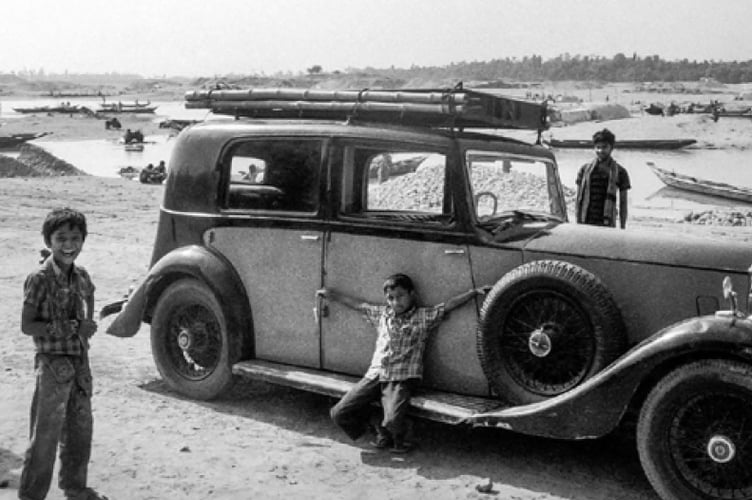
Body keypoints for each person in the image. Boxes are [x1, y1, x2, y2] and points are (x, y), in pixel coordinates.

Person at [320, 274, 489, 453]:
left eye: (400, 296)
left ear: (411, 294)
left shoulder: (423, 316)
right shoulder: (382, 314)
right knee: (339, 413)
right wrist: (333, 295)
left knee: (393, 421)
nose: (395, 302)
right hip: (376, 374)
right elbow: (358, 305)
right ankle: (378, 428)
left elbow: (447, 306)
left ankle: (399, 436)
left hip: (401, 378)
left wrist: (473, 293)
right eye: (390, 298)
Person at [19, 208, 108, 500]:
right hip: (52, 363)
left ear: (83, 240)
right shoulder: (39, 278)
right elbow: (27, 326)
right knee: (46, 433)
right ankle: (32, 494)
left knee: (81, 427)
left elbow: (90, 294)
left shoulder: (81, 276)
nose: (68, 245)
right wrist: (73, 326)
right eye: (61, 238)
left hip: (79, 362)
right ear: (49, 241)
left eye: (75, 238)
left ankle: (75, 486)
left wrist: (88, 326)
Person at [575, 128, 631, 229]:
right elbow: (578, 198)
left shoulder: (620, 172)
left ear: (611, 148)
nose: (600, 151)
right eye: (598, 147)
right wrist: (577, 221)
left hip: (607, 223)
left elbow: (623, 203)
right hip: (586, 221)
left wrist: (622, 227)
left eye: (604, 147)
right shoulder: (584, 170)